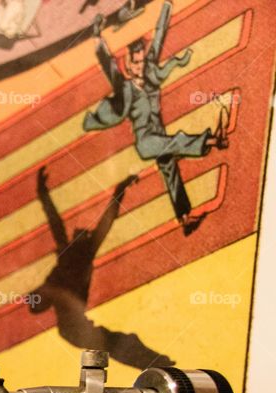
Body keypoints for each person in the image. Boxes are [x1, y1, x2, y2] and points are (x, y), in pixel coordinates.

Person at [83, 1, 229, 236]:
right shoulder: (124, 86)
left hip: (158, 137)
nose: (140, 66)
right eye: (136, 62)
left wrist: (167, 7)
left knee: (171, 174)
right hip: (146, 143)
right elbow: (106, 62)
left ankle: (184, 218)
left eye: (142, 61)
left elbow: (160, 34)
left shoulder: (150, 69)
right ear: (128, 62)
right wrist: (97, 36)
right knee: (177, 141)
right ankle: (211, 140)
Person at [29, 167, 174, 368]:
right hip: (71, 322)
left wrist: (120, 189)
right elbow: (59, 220)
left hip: (71, 323)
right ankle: (151, 360)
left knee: (110, 343)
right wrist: (42, 194)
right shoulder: (76, 251)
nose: (81, 232)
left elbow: (105, 217)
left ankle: (151, 360)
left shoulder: (78, 251)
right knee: (110, 343)